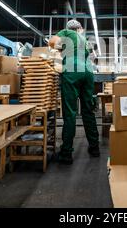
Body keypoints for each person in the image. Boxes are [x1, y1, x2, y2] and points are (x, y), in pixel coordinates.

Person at [49, 20, 100, 165]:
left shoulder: (67, 32)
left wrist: (59, 48)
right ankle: (94, 147)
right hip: (88, 72)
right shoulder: (84, 40)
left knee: (70, 112)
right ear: (80, 29)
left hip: (72, 71)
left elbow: (52, 42)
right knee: (88, 110)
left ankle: (66, 153)